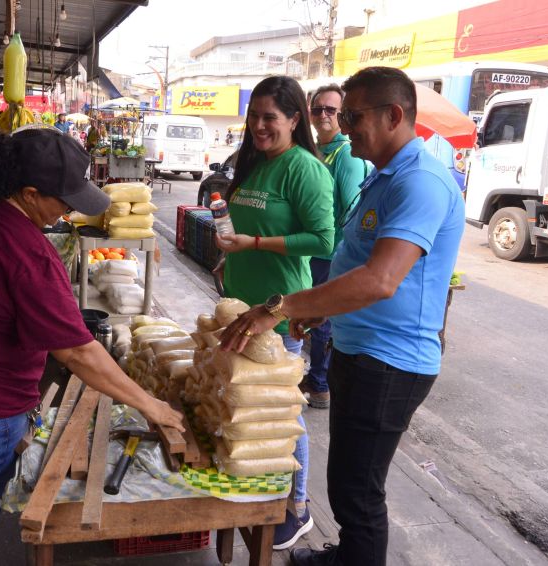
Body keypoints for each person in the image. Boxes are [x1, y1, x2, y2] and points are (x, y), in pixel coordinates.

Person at [0, 128, 184, 566]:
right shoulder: (26, 251)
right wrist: (152, 406)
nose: (69, 212)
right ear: (30, 193)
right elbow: (77, 352)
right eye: (65, 202)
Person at [218, 67, 465, 566]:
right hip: (360, 348)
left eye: (351, 115)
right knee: (348, 481)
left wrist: (284, 308)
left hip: (391, 361)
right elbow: (350, 261)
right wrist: (317, 311)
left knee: (359, 492)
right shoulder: (383, 175)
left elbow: (379, 279)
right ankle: (346, 554)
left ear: (394, 115)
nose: (341, 125)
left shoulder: (420, 182)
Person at [213, 75, 335, 551]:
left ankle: (297, 507)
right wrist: (231, 254)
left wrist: (257, 244)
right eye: (254, 116)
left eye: (270, 118)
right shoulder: (256, 163)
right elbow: (242, 224)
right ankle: (255, 490)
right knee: (245, 408)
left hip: (278, 312)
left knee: (283, 413)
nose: (260, 126)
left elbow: (324, 241)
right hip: (240, 305)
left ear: (294, 120)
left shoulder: (304, 169)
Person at [304, 84, 369, 409]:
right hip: (310, 251)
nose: (323, 115)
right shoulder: (317, 150)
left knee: (321, 321)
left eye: (331, 110)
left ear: (342, 116)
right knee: (310, 317)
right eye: (318, 109)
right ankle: (313, 378)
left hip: (331, 254)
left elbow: (351, 209)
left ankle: (319, 385)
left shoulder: (346, 155)